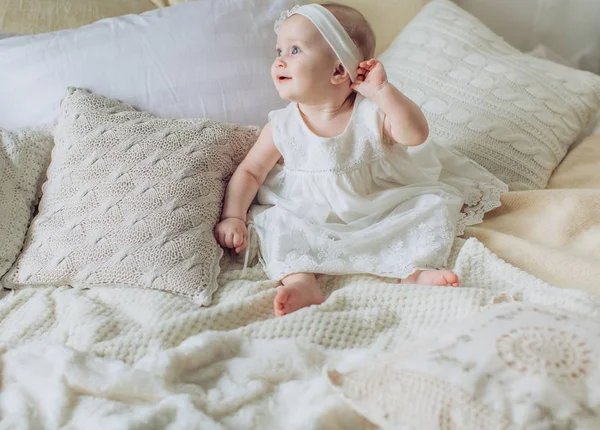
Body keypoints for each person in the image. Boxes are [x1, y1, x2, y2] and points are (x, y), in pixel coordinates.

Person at [215, 4, 507, 316]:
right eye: (279, 50)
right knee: (276, 223)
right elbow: (250, 171)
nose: (279, 60)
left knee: (429, 208)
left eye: (295, 50)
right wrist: (233, 214)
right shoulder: (283, 126)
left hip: (380, 205)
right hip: (311, 215)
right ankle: (300, 280)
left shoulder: (370, 113)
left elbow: (415, 135)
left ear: (339, 70)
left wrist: (382, 91)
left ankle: (415, 271)